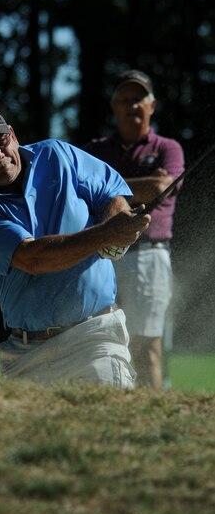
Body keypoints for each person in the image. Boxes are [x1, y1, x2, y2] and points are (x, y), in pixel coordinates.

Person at [0, 99, 151, 388]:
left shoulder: (58, 154)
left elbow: (111, 192)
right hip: (25, 353)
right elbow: (34, 259)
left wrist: (118, 225)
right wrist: (107, 234)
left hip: (95, 336)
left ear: (13, 135)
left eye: (1, 141)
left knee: (110, 428)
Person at [82, 70, 185, 390]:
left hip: (148, 257)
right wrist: (145, 185)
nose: (131, 105)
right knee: (99, 345)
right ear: (114, 107)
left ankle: (149, 424)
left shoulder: (169, 148)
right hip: (99, 257)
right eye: (124, 99)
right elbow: (80, 192)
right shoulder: (95, 149)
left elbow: (162, 187)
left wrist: (106, 187)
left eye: (138, 98)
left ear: (152, 105)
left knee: (146, 347)